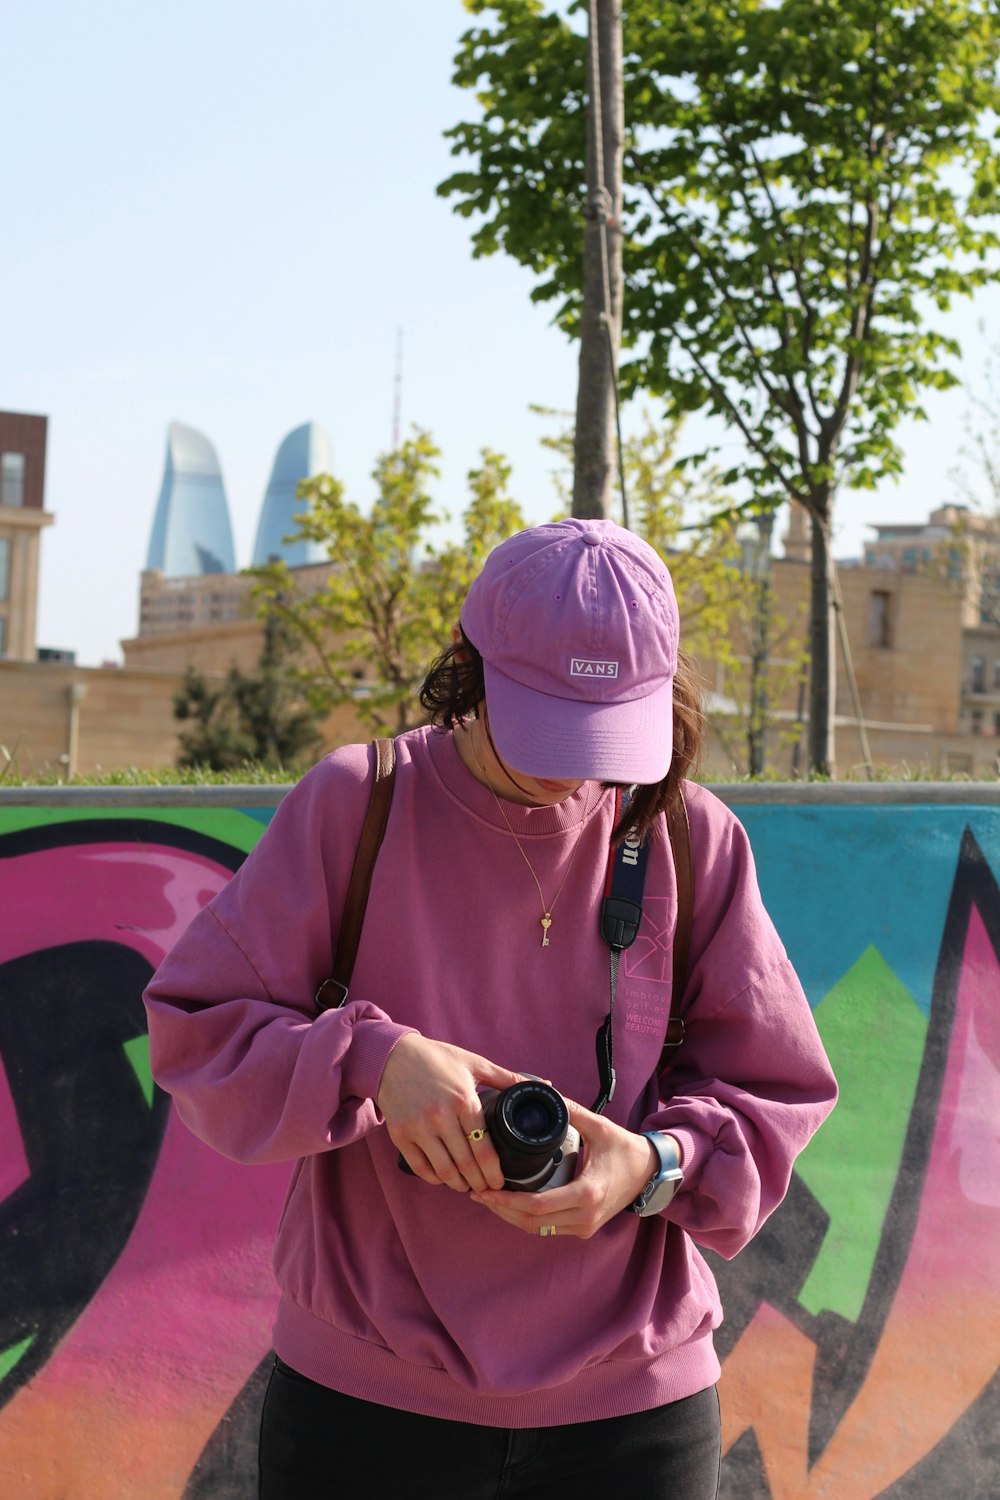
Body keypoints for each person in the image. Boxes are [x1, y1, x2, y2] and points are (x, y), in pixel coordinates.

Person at [144, 518, 837, 1500]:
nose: (576, 768)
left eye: (606, 727)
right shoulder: (357, 805)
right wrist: (374, 1062)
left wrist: (649, 1164)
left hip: (636, 1413)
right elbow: (197, 1031)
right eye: (548, 721)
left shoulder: (688, 835)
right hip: (365, 1409)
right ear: (469, 666)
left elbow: (773, 1087)